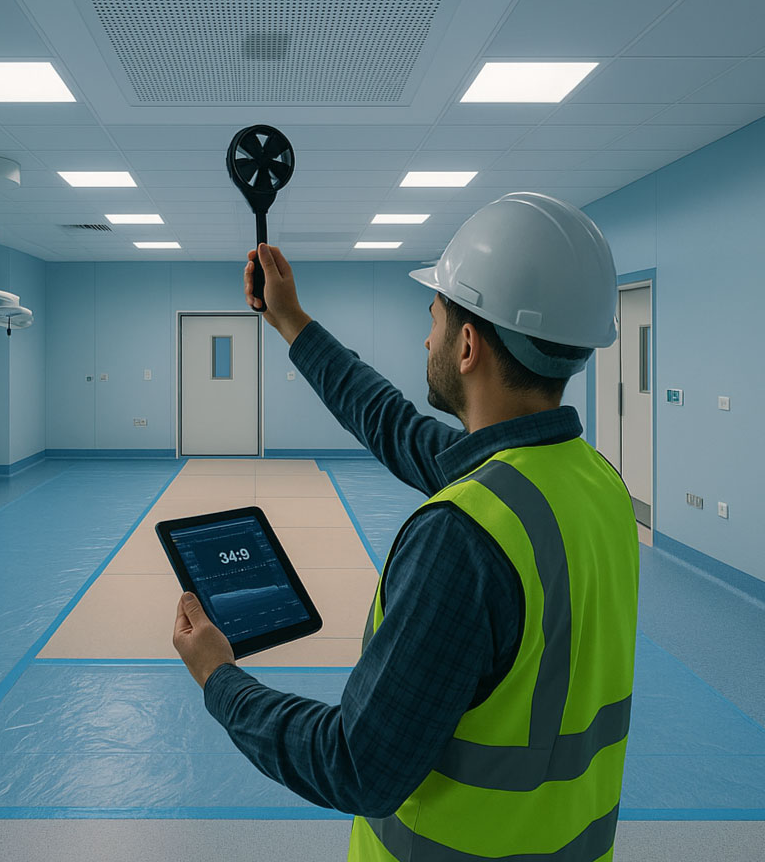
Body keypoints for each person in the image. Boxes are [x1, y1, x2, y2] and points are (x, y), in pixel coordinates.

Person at [173, 192, 640, 862]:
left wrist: (220, 679)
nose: (428, 339)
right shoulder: (596, 484)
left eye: (435, 319)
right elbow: (391, 423)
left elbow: (357, 765)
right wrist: (291, 322)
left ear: (469, 344)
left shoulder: (463, 537)